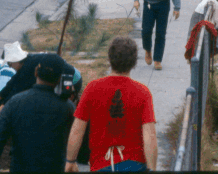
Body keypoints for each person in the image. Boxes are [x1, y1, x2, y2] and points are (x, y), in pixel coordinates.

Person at [65, 37, 157, 172]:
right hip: (135, 165)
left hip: (102, 165)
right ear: (134, 63)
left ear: (109, 59)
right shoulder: (143, 93)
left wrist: (70, 161)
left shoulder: (92, 89)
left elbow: (77, 129)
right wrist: (152, 168)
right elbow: (150, 135)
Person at [0, 53, 75, 173]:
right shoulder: (68, 108)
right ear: (60, 78)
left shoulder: (15, 103)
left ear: (36, 71)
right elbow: (77, 141)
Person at [0, 50, 82, 125]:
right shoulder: (25, 64)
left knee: (58, 104)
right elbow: (11, 85)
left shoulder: (27, 67)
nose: (9, 66)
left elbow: (16, 91)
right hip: (62, 75)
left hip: (72, 79)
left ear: (16, 60)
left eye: (9, 63)